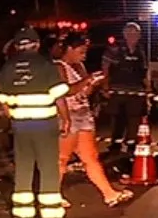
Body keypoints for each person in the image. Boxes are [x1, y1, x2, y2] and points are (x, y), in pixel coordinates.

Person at [0, 27, 72, 218]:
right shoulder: (46, 65)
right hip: (44, 125)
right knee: (48, 169)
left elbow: (2, 100)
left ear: (18, 46)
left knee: (23, 168)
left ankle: (22, 217)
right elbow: (59, 96)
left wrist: (14, 115)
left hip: (20, 126)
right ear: (36, 44)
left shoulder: (8, 67)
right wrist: (66, 119)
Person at [55, 33, 134, 208]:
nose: (84, 55)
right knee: (62, 158)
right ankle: (52, 195)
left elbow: (83, 92)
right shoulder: (58, 67)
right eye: (81, 51)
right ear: (70, 49)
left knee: (90, 157)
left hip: (83, 114)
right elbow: (65, 91)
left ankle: (109, 194)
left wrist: (92, 84)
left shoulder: (80, 66)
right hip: (68, 115)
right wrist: (87, 80)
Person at [102, 22, 149, 155]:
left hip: (136, 90)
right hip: (117, 89)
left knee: (134, 120)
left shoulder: (141, 51)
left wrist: (148, 89)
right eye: (129, 33)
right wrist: (105, 86)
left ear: (139, 35)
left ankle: (131, 147)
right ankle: (115, 147)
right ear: (124, 34)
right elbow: (105, 68)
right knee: (117, 119)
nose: (132, 36)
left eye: (135, 33)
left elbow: (144, 71)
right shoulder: (114, 49)